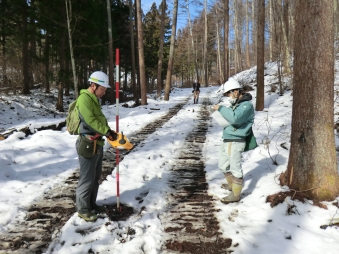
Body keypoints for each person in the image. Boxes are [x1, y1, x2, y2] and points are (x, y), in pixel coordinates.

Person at [75, 71, 118, 222]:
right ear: (93, 85)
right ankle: (83, 209)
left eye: (105, 90)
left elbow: (97, 120)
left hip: (97, 143)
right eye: (103, 89)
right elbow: (90, 121)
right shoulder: (84, 99)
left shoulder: (94, 99)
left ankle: (91, 204)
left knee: (95, 177)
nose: (104, 92)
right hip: (87, 144)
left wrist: (107, 132)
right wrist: (107, 131)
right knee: (86, 178)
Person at [213, 78, 254, 203]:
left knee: (235, 167)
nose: (228, 97)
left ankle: (236, 194)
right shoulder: (236, 104)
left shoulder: (246, 105)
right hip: (228, 138)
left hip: (236, 140)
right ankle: (231, 185)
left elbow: (235, 119)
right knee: (223, 164)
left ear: (236, 91)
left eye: (229, 93)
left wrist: (221, 109)